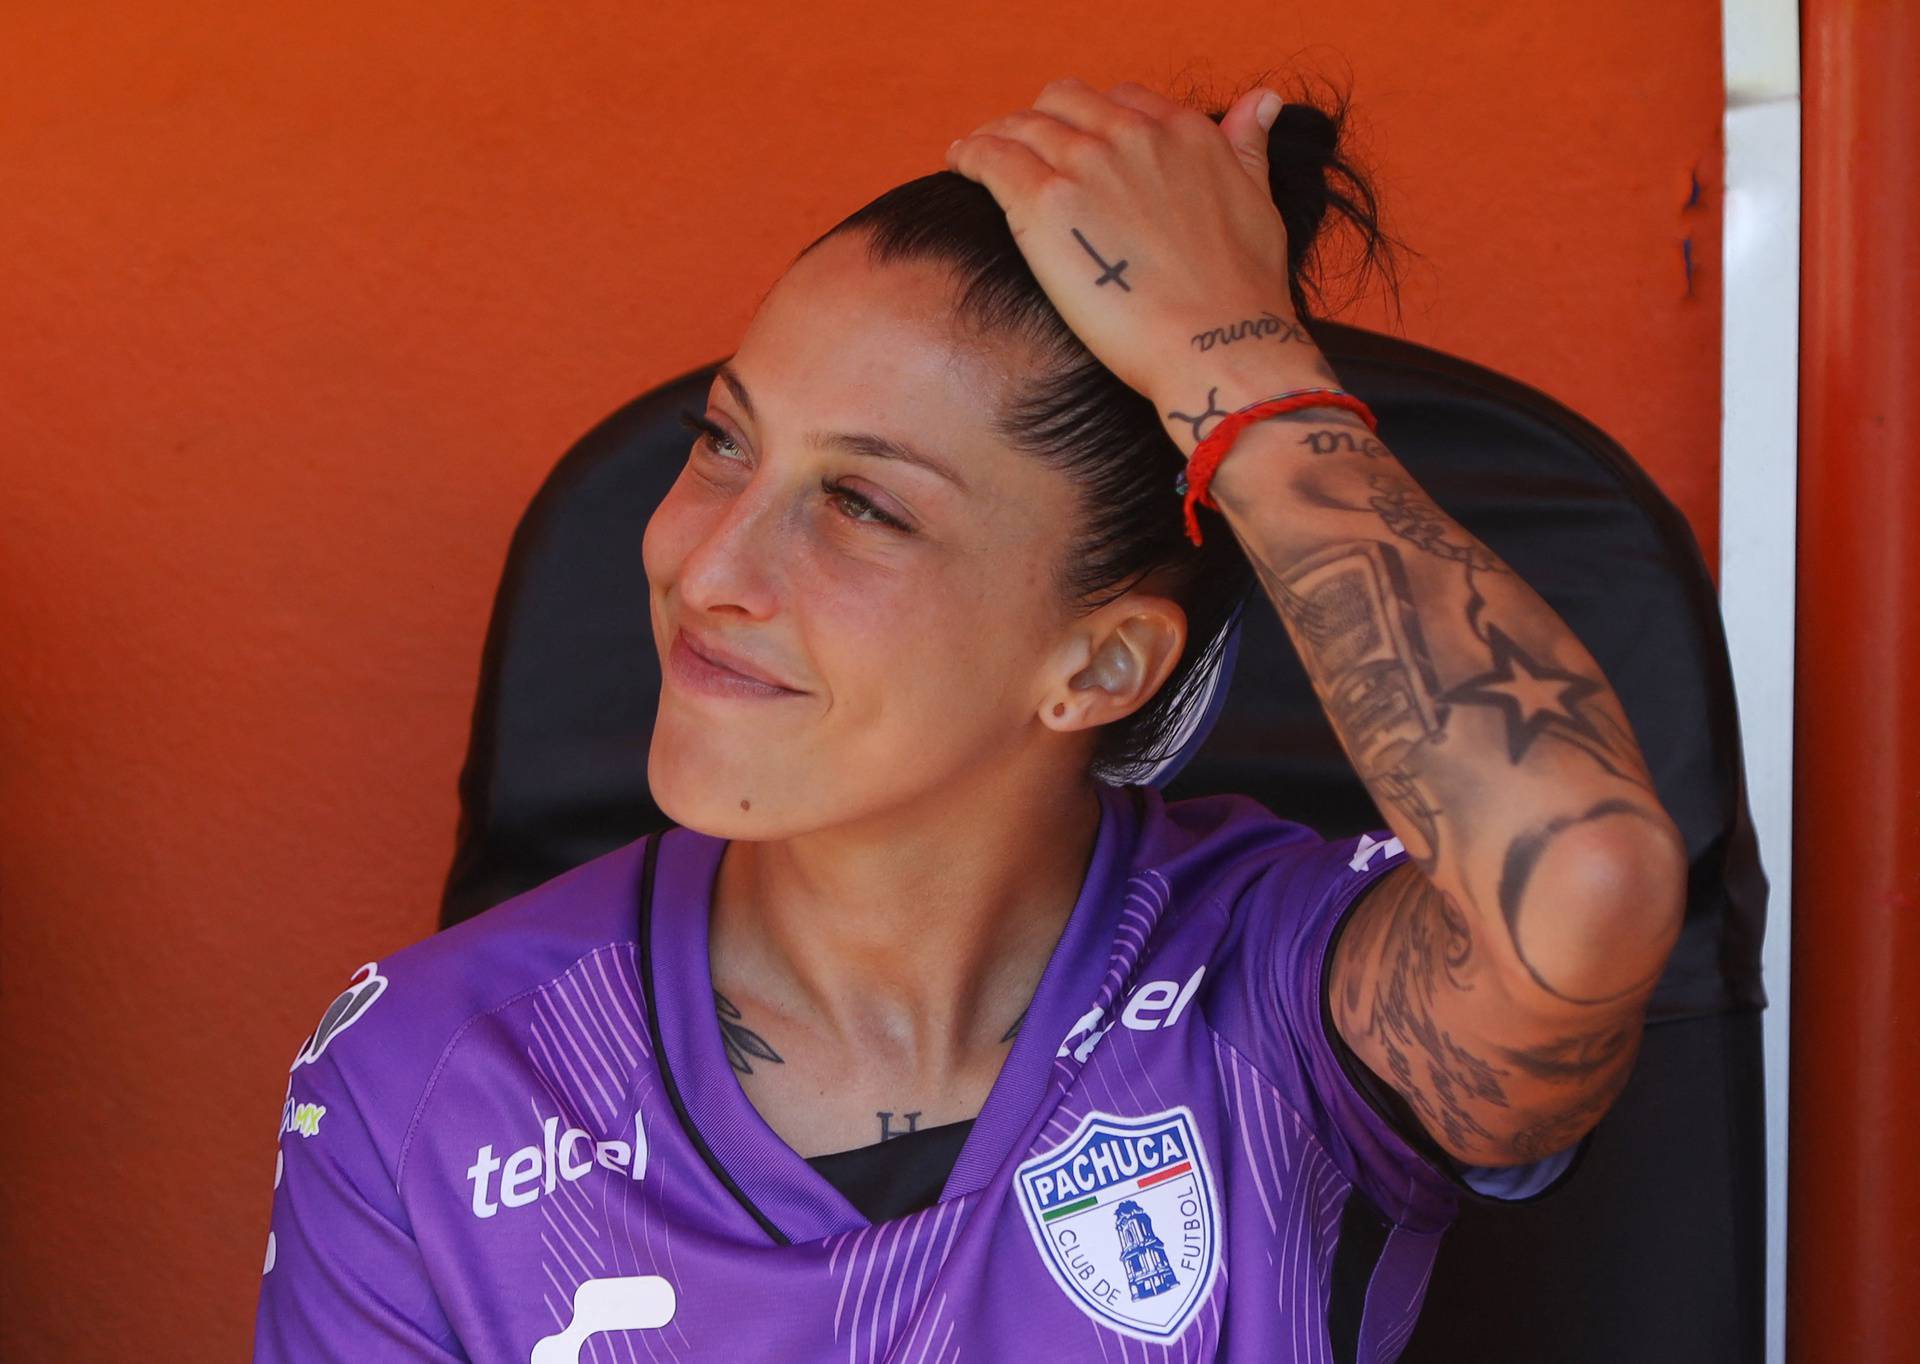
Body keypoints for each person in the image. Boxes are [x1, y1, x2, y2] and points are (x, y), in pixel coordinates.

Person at [253, 75, 1687, 1363]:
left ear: (1104, 665)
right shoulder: (432, 1082)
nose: (708, 567)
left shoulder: (1284, 1009)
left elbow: (1583, 872)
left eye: (863, 506)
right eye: (723, 441)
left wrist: (1237, 361)